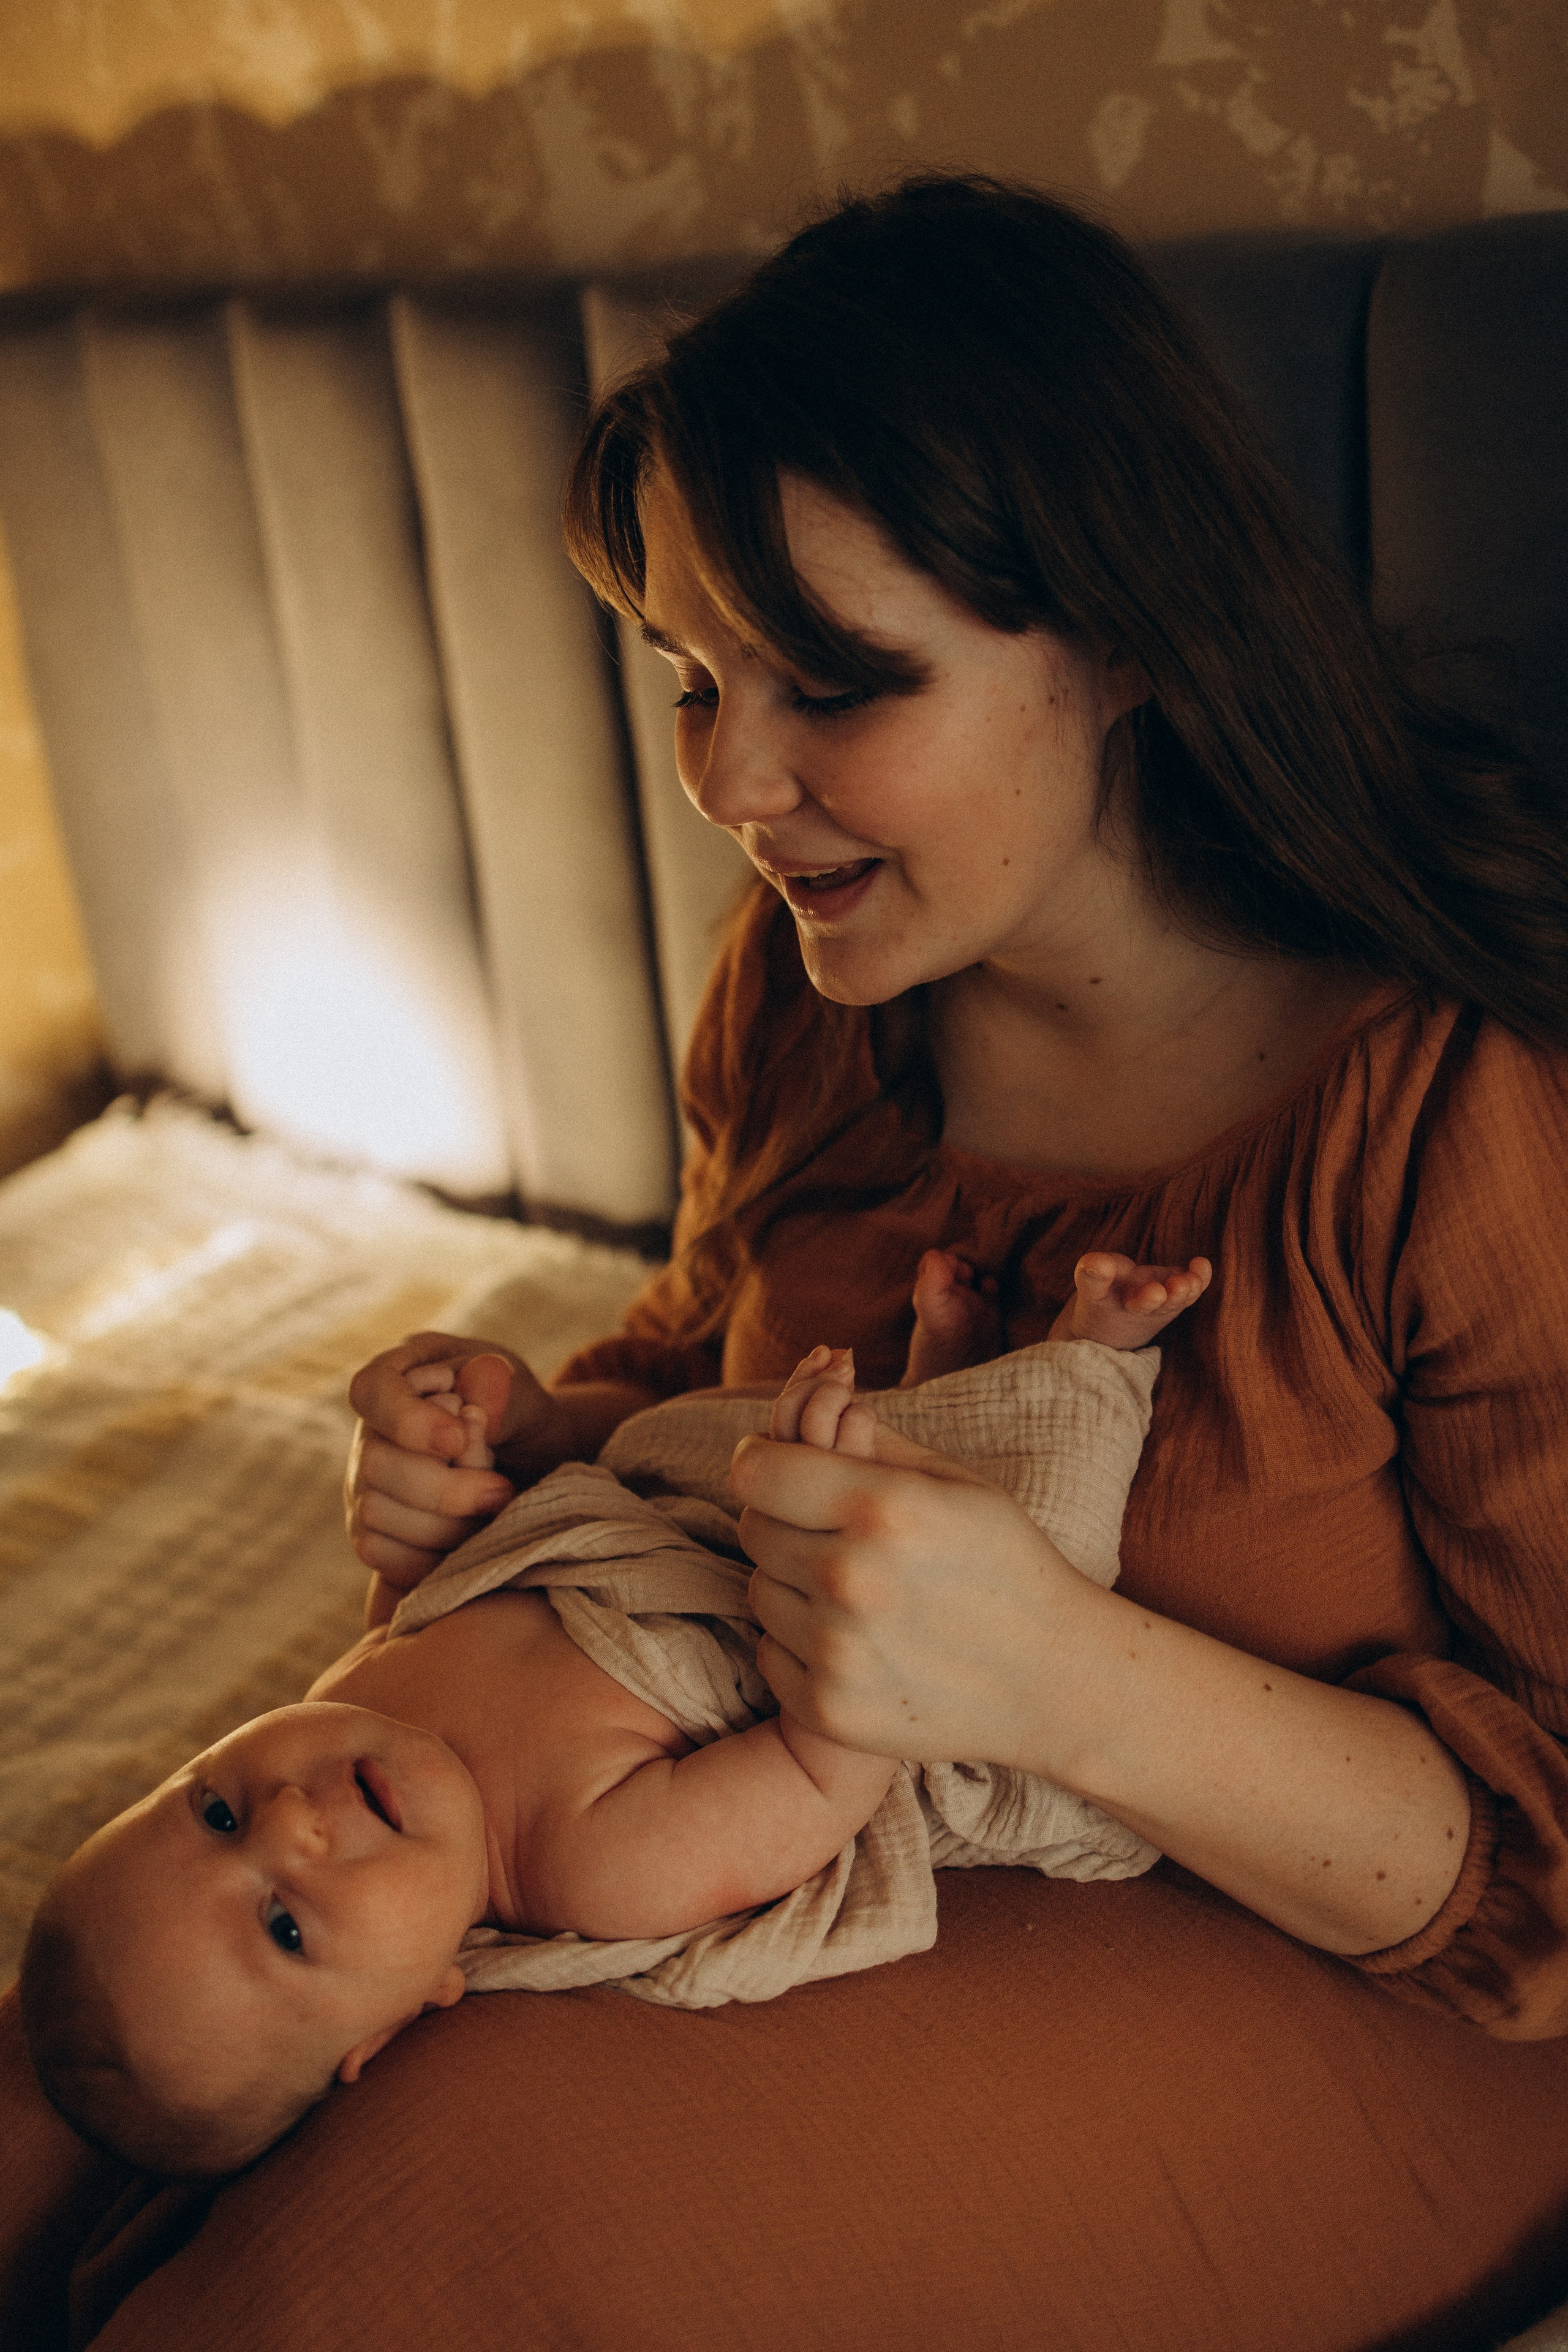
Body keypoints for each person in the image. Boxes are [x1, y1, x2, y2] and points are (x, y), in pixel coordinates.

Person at [340, 175, 1568, 2344]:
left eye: (831, 682)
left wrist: (1062, 1675)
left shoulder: (1449, 1116)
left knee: (440, 2201)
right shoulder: (818, 994)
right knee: (138, 2027)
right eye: (691, 677)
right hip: (778, 1853)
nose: (731, 779)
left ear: (1129, 638)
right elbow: (698, 1346)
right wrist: (529, 1442)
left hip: (1380, 1995)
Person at [18, 1248, 1198, 2177]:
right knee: (1021, 1550)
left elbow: (443, 1593)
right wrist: (838, 1514)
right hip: (859, 1650)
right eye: (285, 1927)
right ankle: (1089, 1360)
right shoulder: (590, 1866)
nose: (290, 1820)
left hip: (684, 1532)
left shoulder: (352, 1712)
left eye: (215, 1812)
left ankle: (940, 1387)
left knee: (668, 1438)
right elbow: (826, 1766)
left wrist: (448, 1474)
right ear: (400, 2016)